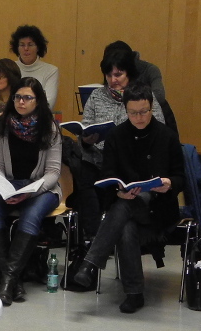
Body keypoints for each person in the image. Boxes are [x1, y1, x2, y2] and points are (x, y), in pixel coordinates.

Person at [70, 85, 184, 314]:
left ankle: (91, 264)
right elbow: (107, 176)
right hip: (127, 208)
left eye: (144, 112)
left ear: (151, 108)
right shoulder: (116, 136)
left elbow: (181, 177)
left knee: (125, 209)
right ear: (125, 110)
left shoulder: (167, 136)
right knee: (126, 224)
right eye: (133, 113)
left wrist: (169, 183)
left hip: (158, 210)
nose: (139, 117)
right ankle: (133, 294)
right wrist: (118, 191)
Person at [70, 46, 168, 239]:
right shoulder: (97, 97)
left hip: (130, 163)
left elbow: (158, 132)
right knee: (83, 172)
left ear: (129, 73)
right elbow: (86, 128)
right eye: (109, 75)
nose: (113, 80)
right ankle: (91, 235)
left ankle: (105, 236)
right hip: (98, 159)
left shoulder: (143, 96)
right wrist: (86, 140)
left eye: (118, 74)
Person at [0, 76, 60, 307]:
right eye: (17, 97)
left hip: (41, 188)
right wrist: (2, 184)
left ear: (38, 101)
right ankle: (13, 280)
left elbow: (53, 172)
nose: (21, 102)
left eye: (27, 98)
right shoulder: (4, 124)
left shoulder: (50, 127)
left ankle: (7, 281)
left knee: (31, 216)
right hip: (9, 184)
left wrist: (31, 192)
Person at [10, 24, 58, 111]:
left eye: (30, 45)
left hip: (39, 117)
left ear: (38, 47)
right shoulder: (9, 68)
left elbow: (48, 104)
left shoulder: (51, 71)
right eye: (22, 45)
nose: (26, 48)